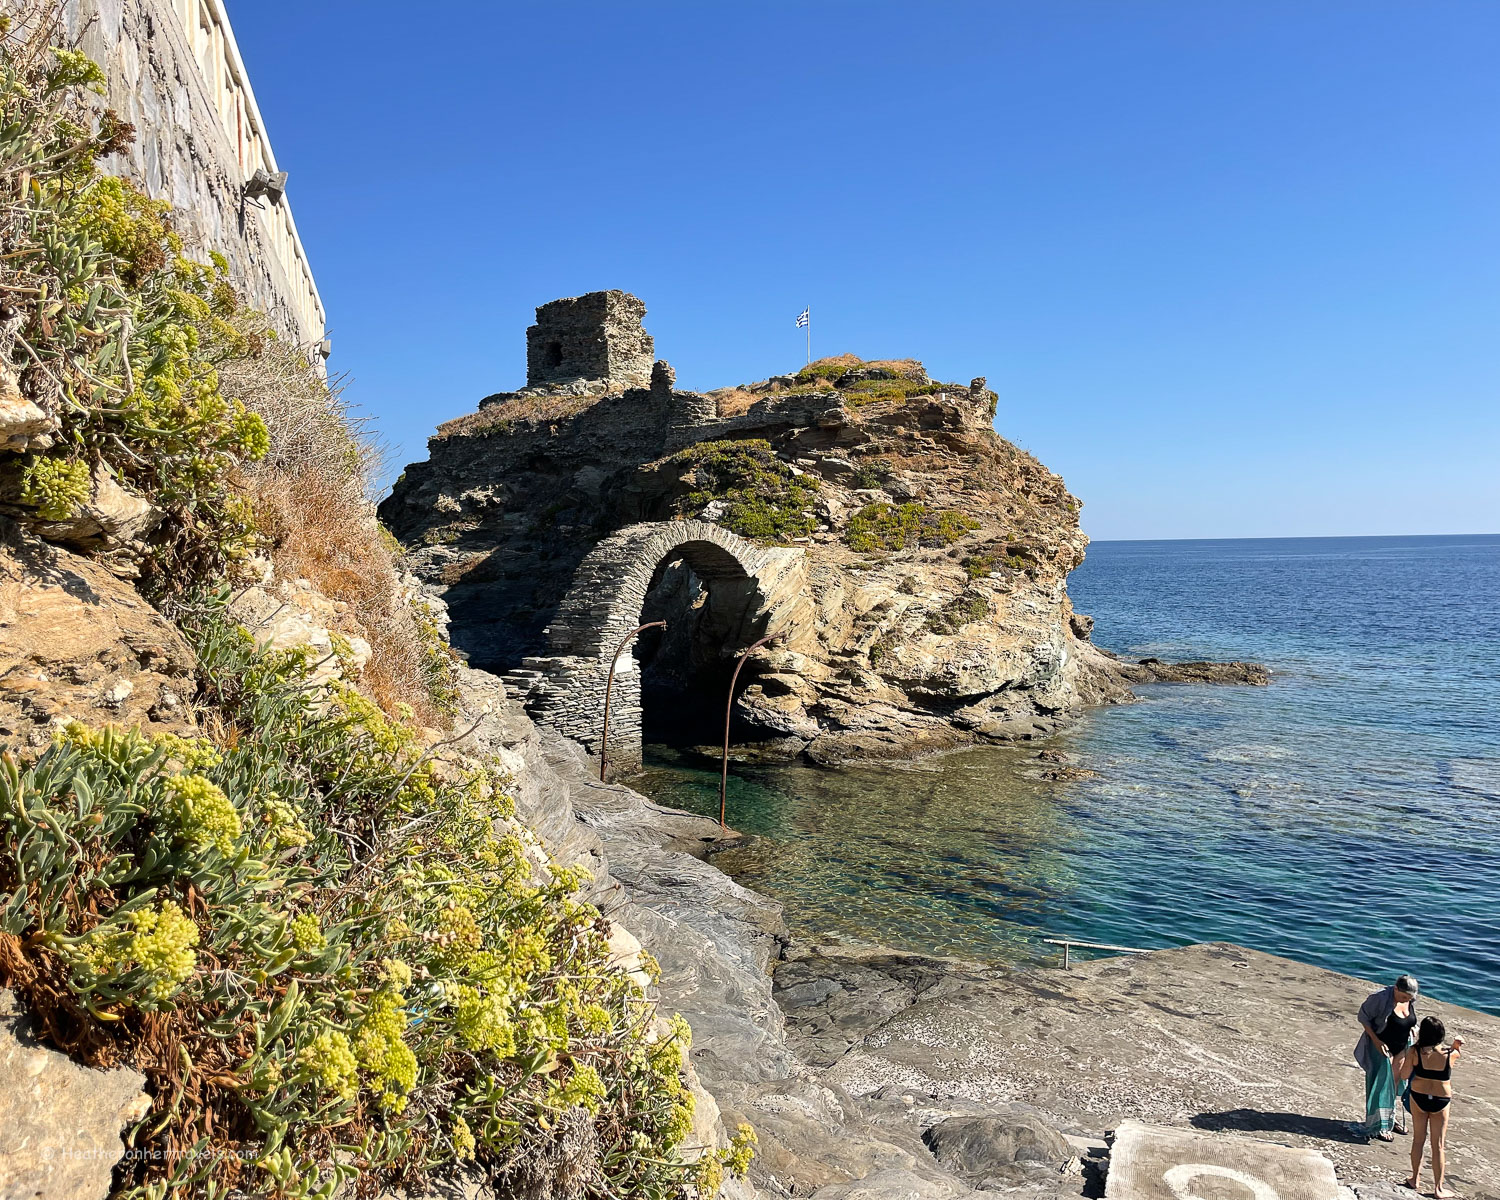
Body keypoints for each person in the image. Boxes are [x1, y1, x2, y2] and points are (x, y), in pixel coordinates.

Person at [1400, 1016, 1464, 1197]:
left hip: (1419, 1097)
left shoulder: (1414, 1051)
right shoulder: (1450, 1054)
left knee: (1418, 1139)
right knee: (1438, 1145)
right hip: (1440, 1101)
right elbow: (1456, 1053)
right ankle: (1438, 1189)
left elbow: (1405, 1075)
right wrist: (1456, 1045)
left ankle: (1414, 1178)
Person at [1356, 974, 1419, 1140]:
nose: (1406, 1000)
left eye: (1409, 997)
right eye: (1404, 996)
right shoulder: (1380, 998)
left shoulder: (1410, 999)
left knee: (1395, 1085)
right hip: (1382, 1046)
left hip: (1401, 1047)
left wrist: (1414, 1028)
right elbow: (1363, 1017)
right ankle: (1378, 1125)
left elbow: (1410, 1018)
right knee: (1381, 1086)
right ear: (1396, 988)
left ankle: (1390, 1119)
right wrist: (1376, 1041)